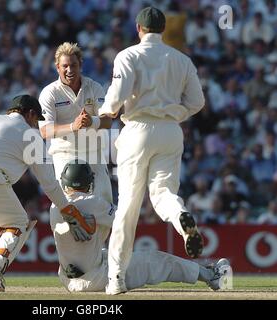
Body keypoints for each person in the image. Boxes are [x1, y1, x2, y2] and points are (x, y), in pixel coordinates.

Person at [98, 7, 206, 294]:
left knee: (128, 207)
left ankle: (117, 277)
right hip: (171, 131)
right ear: (162, 28)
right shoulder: (181, 59)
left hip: (137, 130)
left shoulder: (128, 55)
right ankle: (183, 220)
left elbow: (115, 101)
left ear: (138, 29)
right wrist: (173, 115)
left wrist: (103, 111)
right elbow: (196, 102)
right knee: (164, 195)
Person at [0, 95, 95, 292]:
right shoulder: (30, 135)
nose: (36, 125)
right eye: (36, 120)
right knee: (18, 224)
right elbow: (49, 184)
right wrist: (68, 209)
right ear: (30, 113)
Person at [50, 160, 231, 293]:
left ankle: (208, 272)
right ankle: (211, 277)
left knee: (105, 252)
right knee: (159, 261)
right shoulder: (94, 203)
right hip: (97, 278)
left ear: (64, 183)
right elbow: (123, 221)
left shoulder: (54, 208)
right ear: (89, 182)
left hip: (68, 278)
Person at [38, 42, 113, 203]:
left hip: (94, 154)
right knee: (69, 205)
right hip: (64, 155)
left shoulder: (95, 87)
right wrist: (74, 126)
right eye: (65, 66)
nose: (69, 70)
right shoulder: (49, 93)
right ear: (57, 67)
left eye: (73, 65)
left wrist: (91, 121)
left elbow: (108, 121)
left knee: (105, 204)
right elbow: (44, 130)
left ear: (80, 65)